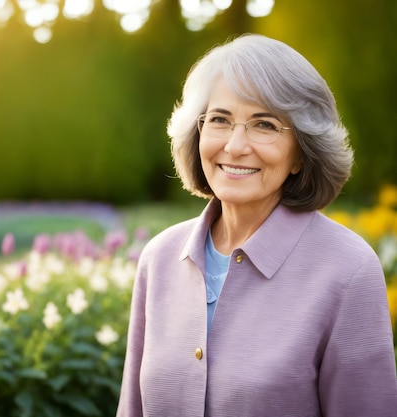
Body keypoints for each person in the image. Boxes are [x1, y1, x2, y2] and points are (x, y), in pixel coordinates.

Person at [116, 34, 397, 417]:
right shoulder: (159, 258)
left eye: (264, 124)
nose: (234, 145)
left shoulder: (348, 270)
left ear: (301, 152)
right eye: (219, 120)